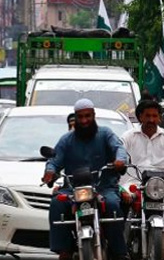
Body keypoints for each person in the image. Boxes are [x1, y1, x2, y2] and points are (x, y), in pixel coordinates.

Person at [42, 99, 129, 260]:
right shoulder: (66, 140)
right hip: (73, 188)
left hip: (104, 187)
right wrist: (50, 171)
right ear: (75, 117)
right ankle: (64, 250)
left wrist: (120, 160)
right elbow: (54, 160)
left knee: (112, 205)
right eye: (80, 117)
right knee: (56, 203)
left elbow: (119, 149)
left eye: (87, 116)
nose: (84, 121)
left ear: (94, 115)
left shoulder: (105, 134)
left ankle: (119, 252)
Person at [121, 100, 164, 185]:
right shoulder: (128, 136)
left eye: (154, 116)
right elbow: (119, 155)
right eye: (147, 116)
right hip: (134, 185)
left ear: (159, 118)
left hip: (160, 186)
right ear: (141, 117)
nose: (151, 120)